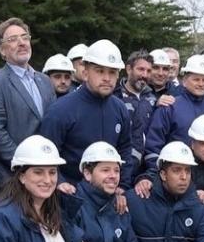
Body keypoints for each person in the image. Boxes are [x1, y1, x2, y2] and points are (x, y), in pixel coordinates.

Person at [40, 39, 135, 191]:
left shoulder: (120, 109)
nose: (107, 78)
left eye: (112, 72)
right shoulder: (61, 110)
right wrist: (60, 183)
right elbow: (46, 153)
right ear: (85, 73)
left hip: (109, 198)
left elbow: (125, 150)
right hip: (71, 197)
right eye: (100, 71)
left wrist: (122, 185)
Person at [0, 18, 57, 169]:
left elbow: (55, 123)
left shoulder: (45, 80)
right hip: (17, 171)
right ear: (1, 49)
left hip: (49, 166)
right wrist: (22, 164)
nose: (22, 43)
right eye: (13, 39)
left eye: (25, 37)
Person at [144, 56, 204, 171]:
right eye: (196, 79)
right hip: (175, 175)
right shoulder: (170, 107)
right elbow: (153, 145)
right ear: (184, 81)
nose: (201, 84)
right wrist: (159, 172)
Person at [133, 114, 204, 204]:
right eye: (203, 143)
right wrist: (145, 179)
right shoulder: (181, 156)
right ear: (192, 143)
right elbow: (158, 171)